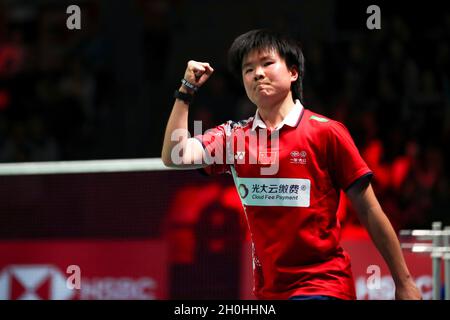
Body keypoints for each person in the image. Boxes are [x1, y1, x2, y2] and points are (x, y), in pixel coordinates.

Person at [161, 29, 422, 300]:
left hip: (323, 285)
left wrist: (403, 282)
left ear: (293, 73)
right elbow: (175, 155)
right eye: (248, 69)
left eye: (267, 63)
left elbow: (369, 210)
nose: (257, 73)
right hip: (268, 292)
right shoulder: (234, 137)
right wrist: (186, 90)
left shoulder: (326, 133)